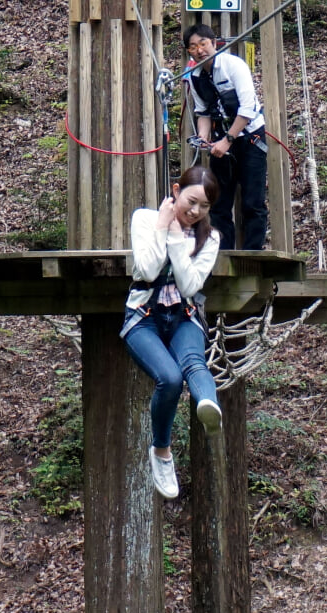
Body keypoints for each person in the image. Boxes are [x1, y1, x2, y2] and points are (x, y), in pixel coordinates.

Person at [123, 165, 224, 499]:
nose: (195, 212)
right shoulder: (144, 219)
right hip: (144, 317)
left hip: (183, 315)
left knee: (194, 361)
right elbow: (147, 270)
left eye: (204, 207)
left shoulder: (209, 237)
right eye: (191, 201)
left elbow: (190, 284)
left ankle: (208, 405)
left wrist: (179, 240)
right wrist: (164, 226)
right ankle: (161, 453)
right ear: (176, 190)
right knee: (169, 378)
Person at [183, 23, 269, 251]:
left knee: (253, 201)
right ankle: (224, 252)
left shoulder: (233, 66)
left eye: (203, 43)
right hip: (221, 140)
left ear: (213, 43)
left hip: (250, 137)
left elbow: (248, 108)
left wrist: (228, 140)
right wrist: (203, 137)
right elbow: (202, 111)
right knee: (219, 203)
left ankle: (253, 253)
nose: (199, 50)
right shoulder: (195, 76)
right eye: (193, 47)